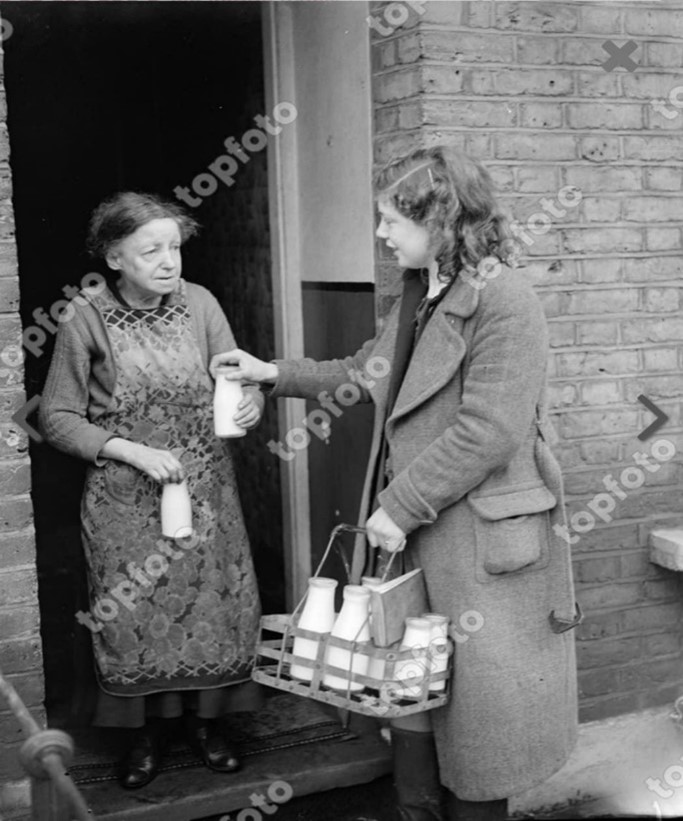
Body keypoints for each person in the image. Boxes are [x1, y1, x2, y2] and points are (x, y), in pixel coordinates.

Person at [211, 146, 581, 821]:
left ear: (440, 219)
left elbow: (489, 428)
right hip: (416, 534)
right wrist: (272, 373)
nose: (381, 235)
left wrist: (399, 505)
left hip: (474, 539)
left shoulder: (506, 300)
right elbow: (367, 370)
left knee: (477, 727)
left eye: (391, 221)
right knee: (409, 690)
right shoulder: (422, 288)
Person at [39, 192, 263, 789]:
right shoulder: (83, 316)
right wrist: (131, 451)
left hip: (205, 488)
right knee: (135, 613)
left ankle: (209, 726)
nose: (170, 262)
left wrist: (249, 403)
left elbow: (239, 377)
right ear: (114, 256)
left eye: (175, 248)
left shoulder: (203, 304)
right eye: (151, 250)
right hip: (125, 498)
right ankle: (146, 734)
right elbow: (58, 416)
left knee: (215, 606)